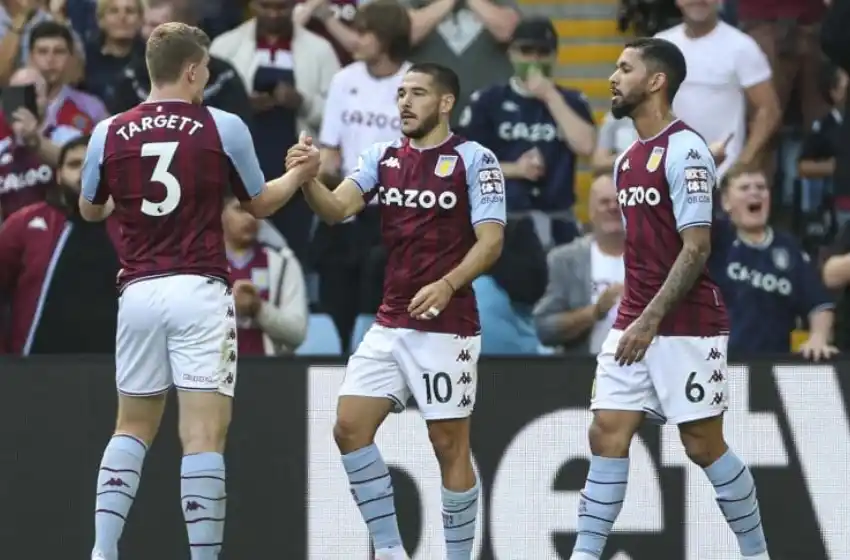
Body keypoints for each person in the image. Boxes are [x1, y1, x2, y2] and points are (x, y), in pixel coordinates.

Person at [78, 22, 320, 560]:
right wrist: (301, 175)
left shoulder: (109, 130)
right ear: (191, 70)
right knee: (203, 435)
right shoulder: (222, 125)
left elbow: (90, 208)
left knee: (132, 426)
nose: (206, 77)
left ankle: (102, 551)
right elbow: (259, 203)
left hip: (138, 290)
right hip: (200, 288)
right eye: (206, 69)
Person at [286, 62, 506, 560]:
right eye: (401, 93)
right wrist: (307, 178)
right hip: (391, 320)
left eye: (418, 94)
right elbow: (339, 209)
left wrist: (449, 284)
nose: (405, 102)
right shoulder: (381, 156)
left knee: (448, 444)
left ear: (446, 102)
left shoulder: (476, 159)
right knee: (348, 427)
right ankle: (389, 550)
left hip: (448, 327)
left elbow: (492, 242)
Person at [569, 38, 770, 560]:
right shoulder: (627, 160)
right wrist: (637, 319)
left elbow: (697, 247)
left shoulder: (685, 149)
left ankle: (756, 554)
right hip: (635, 319)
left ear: (656, 81)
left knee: (702, 446)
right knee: (606, 433)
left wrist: (650, 320)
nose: (613, 77)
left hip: (686, 324)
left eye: (624, 68)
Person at [460, 17, 596, 247]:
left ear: (554, 56)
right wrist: (515, 169)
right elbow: (464, 164)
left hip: (558, 220)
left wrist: (550, 96)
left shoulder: (572, 101)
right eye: (526, 51)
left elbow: (586, 146)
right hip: (503, 217)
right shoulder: (488, 100)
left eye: (543, 52)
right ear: (511, 54)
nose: (534, 59)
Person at [0, 135, 120, 354]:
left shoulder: (136, 227)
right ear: (58, 175)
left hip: (120, 371)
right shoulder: (24, 224)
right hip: (36, 372)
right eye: (75, 165)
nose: (85, 173)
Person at [711, 163, 836, 358]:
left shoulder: (789, 248)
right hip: (719, 364)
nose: (755, 193)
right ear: (726, 201)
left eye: (761, 187)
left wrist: (818, 337)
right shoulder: (715, 239)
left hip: (772, 366)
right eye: (744, 188)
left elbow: (819, 304)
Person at [533, 174, 625, 354]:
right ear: (591, 211)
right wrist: (594, 312)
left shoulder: (653, 259)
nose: (613, 207)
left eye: (620, 200)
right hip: (584, 371)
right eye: (604, 202)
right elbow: (544, 327)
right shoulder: (565, 259)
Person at [223, 193, 309, 355]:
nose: (250, 217)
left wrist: (259, 308)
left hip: (269, 374)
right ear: (220, 214)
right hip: (213, 374)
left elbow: (297, 333)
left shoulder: (284, 263)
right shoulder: (201, 264)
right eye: (240, 209)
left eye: (256, 210)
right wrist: (228, 305)